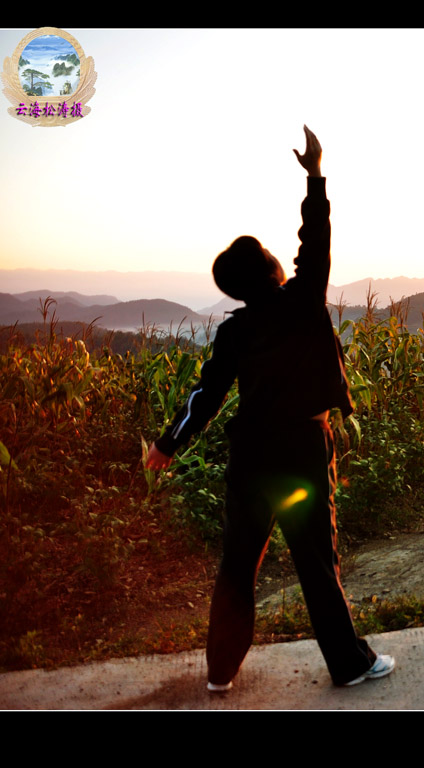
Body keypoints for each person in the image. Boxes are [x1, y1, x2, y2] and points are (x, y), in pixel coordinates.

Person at [146, 126, 394, 691]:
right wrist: (314, 176)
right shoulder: (304, 301)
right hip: (302, 451)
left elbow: (204, 397)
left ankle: (219, 673)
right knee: (315, 561)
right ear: (273, 271)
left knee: (237, 564)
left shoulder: (235, 331)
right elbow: (317, 239)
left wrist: (166, 444)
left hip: (251, 456)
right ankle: (350, 665)